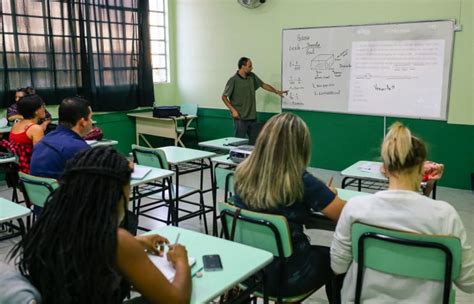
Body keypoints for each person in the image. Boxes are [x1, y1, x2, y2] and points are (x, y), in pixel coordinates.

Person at [9, 146, 192, 303]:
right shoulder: (117, 241)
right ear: (116, 192)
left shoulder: (51, 221)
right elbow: (177, 300)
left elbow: (85, 249)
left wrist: (137, 242)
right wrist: (181, 260)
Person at [330, 122, 474, 303]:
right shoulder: (445, 216)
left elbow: (338, 266)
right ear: (423, 169)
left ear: (383, 168)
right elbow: (469, 283)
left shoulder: (356, 208)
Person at [233, 112, 345, 301]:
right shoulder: (301, 181)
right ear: (300, 147)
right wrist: (330, 196)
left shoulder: (242, 174)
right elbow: (345, 213)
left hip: (249, 270)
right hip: (287, 277)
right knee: (340, 260)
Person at [222, 57, 288, 139]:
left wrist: (276, 91)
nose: (252, 68)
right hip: (240, 118)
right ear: (243, 66)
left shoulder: (252, 76)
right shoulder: (233, 80)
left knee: (255, 141)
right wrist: (233, 110)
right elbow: (224, 97)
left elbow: (263, 85)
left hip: (252, 117)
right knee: (238, 142)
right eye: (250, 66)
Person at [30, 96, 93, 179]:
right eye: (90, 117)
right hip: (63, 191)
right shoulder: (79, 149)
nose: (91, 121)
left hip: (39, 191)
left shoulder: (44, 140)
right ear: (82, 122)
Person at [4, 94, 46, 173]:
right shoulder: (35, 129)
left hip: (20, 170)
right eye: (42, 106)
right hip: (32, 171)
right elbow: (40, 156)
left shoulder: (15, 125)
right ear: (36, 111)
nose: (44, 109)